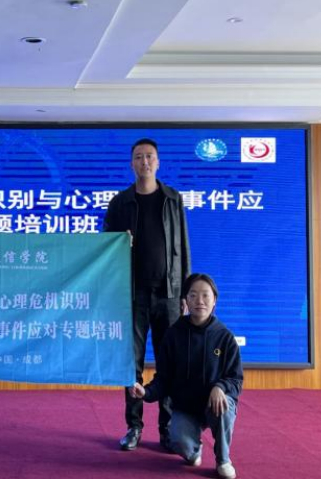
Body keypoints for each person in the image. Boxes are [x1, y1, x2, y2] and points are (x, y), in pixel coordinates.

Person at [103, 138, 191, 451]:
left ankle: (167, 429)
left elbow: (183, 245)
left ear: (158, 162)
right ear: (131, 163)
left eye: (150, 156)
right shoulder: (120, 202)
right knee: (132, 364)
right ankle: (134, 426)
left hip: (169, 294)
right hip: (132, 295)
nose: (145, 162)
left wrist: (185, 289)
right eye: (139, 157)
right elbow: (105, 246)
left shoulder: (172, 199)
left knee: (169, 363)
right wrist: (118, 242)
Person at [129, 273, 242, 479]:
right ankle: (193, 450)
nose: (200, 301)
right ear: (185, 300)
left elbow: (235, 379)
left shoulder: (225, 337)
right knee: (179, 443)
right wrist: (146, 392)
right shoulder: (173, 335)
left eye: (206, 295)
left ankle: (223, 460)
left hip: (214, 404)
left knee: (224, 404)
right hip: (186, 407)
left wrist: (220, 387)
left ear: (214, 300)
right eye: (193, 295)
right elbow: (164, 378)